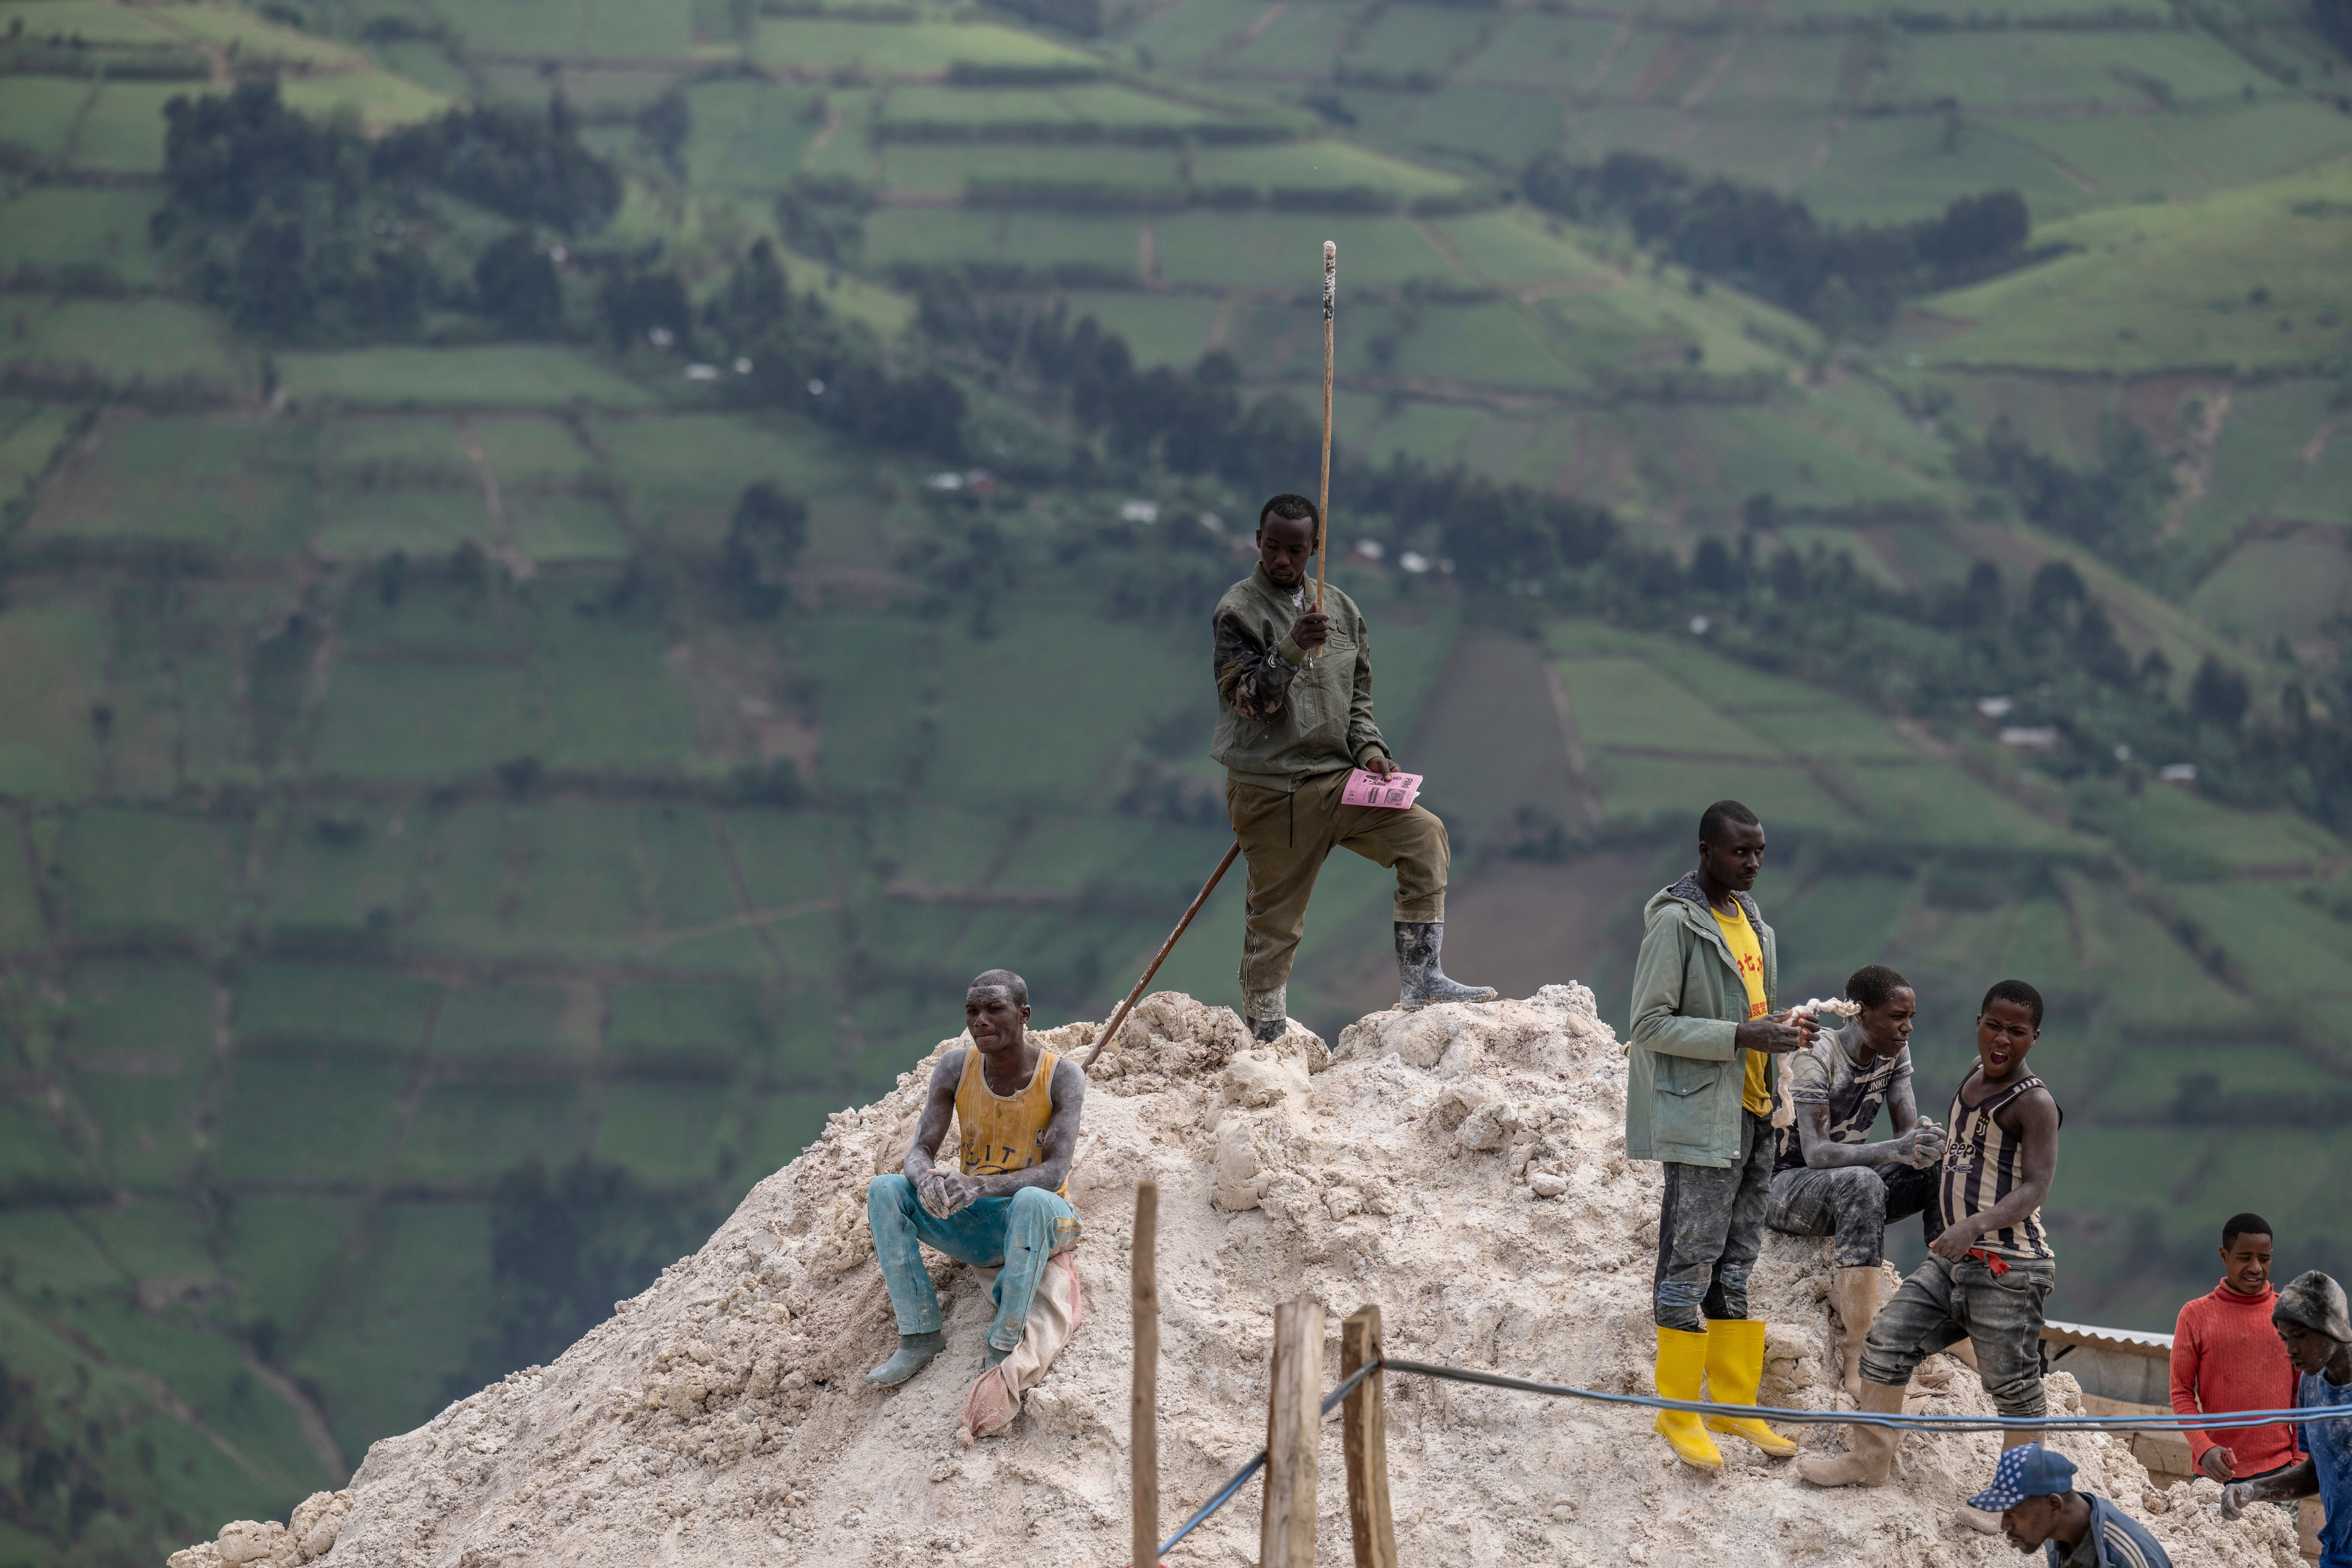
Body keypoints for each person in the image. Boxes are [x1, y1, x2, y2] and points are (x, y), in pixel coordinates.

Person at [1212, 492, 1494, 1041]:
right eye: (1273, 547)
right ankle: (1266, 1031)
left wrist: (1370, 750)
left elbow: (1358, 698)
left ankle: (1422, 978)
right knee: (1276, 920)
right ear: (1258, 542)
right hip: (1273, 790)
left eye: (1295, 549)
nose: (1283, 560)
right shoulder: (1237, 611)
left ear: (1315, 548)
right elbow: (1247, 700)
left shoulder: (1340, 609)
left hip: (1340, 779)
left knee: (1424, 836)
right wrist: (1291, 649)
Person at [1800, 977, 2061, 1527]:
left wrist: (1975, 1225)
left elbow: (2035, 1187)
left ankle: (2023, 1503)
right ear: (1978, 1022)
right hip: (1955, 1261)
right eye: (1993, 1024)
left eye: (2017, 1031)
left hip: (2007, 1263)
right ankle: (1869, 1459)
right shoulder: (1973, 1073)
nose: (2001, 1039)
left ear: (2034, 1037)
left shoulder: (2033, 1102)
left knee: (2014, 1385)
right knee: (1887, 1340)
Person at [1627, 799, 1818, 1471]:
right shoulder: (1677, 924)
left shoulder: (1753, 923)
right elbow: (1648, 1025)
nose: (1753, 863)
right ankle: (1679, 1415)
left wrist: (1784, 1031)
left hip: (1758, 1113)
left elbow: (1752, 1013)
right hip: (1703, 1117)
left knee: (1736, 1264)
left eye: (1760, 851)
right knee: (1688, 1262)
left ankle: (1732, 1407)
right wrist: (1740, 1036)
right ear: (1705, 849)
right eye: (1740, 852)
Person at [864, 970, 1084, 1387]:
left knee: (1033, 1200)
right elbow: (920, 1150)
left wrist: (979, 1185)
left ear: (1024, 1015)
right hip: (981, 1224)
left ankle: (1004, 1342)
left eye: (994, 1009)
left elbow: (1056, 1170)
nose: (980, 1020)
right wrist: (925, 1178)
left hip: (1043, 1219)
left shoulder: (1061, 1075)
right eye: (972, 1011)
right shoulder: (955, 1067)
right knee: (885, 1189)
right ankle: (920, 1334)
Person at [1764, 963, 1949, 1396]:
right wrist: (1895, 1150)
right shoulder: (1816, 1057)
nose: (1907, 1029)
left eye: (1911, 1018)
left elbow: (1906, 1137)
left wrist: (1925, 1143)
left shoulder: (1894, 1054)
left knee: (1942, 1169)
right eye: (1897, 1017)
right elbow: (1816, 1153)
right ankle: (1861, 1354)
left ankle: (1943, 1313)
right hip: (1786, 1188)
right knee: (1862, 1182)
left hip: (1845, 1184)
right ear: (1861, 1013)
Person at [2223, 1270, 2352, 1568]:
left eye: (2300, 1336)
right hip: (2338, 1554)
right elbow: (2317, 1472)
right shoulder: (2313, 1384)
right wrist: (2253, 1490)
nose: (2290, 1349)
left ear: (2331, 1327)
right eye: (2284, 1338)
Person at [2172, 1213, 2301, 1491]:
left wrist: (2300, 1460)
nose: (2256, 1267)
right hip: (2215, 1476)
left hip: (2279, 1476)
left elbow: (2302, 1396)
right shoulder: (2195, 1316)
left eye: (2264, 1258)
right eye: (2244, 1257)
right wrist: (2204, 1448)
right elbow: (2181, 1392)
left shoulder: (2290, 1316)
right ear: (2224, 1255)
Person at [1969, 1442, 2173, 1567]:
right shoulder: (2054, 1536)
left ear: (2054, 1505)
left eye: (2012, 1511)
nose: (2004, 1525)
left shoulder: (2129, 1557)